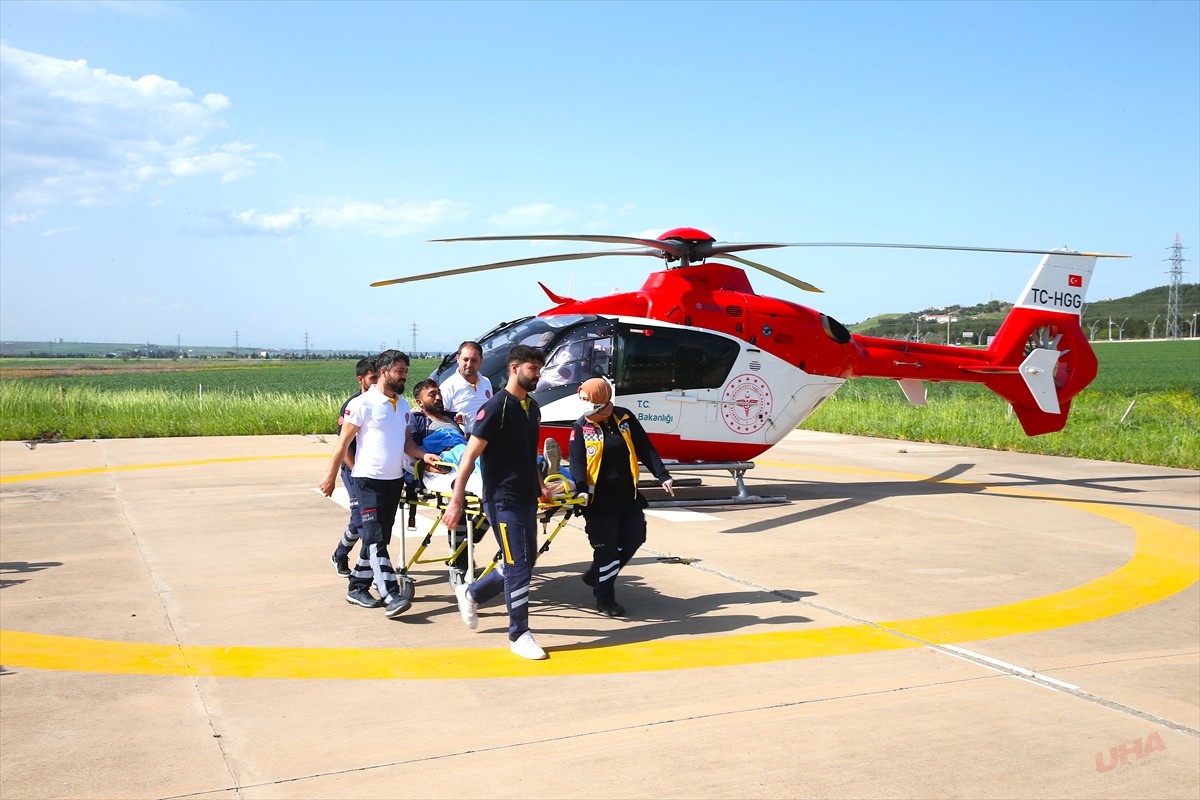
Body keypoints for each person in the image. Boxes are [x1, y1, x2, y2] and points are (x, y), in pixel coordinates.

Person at [442, 345, 554, 660]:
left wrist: (541, 486)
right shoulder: (495, 407)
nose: (538, 375)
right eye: (533, 369)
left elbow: (527, 454)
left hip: (526, 497)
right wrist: (457, 498)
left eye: (539, 369)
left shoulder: (532, 408)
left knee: (525, 560)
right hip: (501, 499)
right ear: (514, 367)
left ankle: (472, 592)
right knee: (518, 564)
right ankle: (519, 634)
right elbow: (468, 457)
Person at [319, 350, 445, 619]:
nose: (404, 376)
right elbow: (342, 444)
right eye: (400, 371)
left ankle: (357, 587)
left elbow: (406, 443)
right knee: (375, 539)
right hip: (367, 480)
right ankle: (390, 595)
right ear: (385, 371)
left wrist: (424, 455)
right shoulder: (363, 404)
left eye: (406, 372)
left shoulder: (401, 404)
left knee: (379, 539)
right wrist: (330, 477)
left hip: (393, 480)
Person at [568, 378, 674, 617]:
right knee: (607, 551)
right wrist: (582, 488)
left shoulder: (624, 419)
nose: (584, 405)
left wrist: (662, 474)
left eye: (588, 400)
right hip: (599, 501)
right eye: (582, 400)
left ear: (602, 399)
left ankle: (596, 573)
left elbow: (644, 447)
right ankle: (605, 599)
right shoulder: (580, 427)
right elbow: (576, 462)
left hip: (627, 495)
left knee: (635, 538)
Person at [409, 378, 478, 586]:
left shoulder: (452, 418)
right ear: (420, 402)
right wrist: (428, 465)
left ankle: (539, 467)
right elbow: (413, 453)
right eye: (432, 394)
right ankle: (459, 560)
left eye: (438, 393)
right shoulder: (417, 420)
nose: (438, 397)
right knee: (463, 453)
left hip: (464, 458)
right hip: (443, 466)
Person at [330, 357, 377, 578]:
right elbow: (344, 445)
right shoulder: (353, 405)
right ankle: (363, 567)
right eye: (372, 378)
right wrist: (357, 471)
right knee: (361, 520)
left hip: (374, 472)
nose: (377, 382)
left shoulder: (383, 401)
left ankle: (342, 553)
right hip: (354, 470)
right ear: (361, 379)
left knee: (360, 519)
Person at [439, 340, 492, 435]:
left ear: (481, 360)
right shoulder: (448, 386)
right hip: (463, 443)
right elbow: (441, 418)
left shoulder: (486, 382)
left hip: (488, 440)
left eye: (474, 360)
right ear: (458, 358)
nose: (469, 364)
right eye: (465, 359)